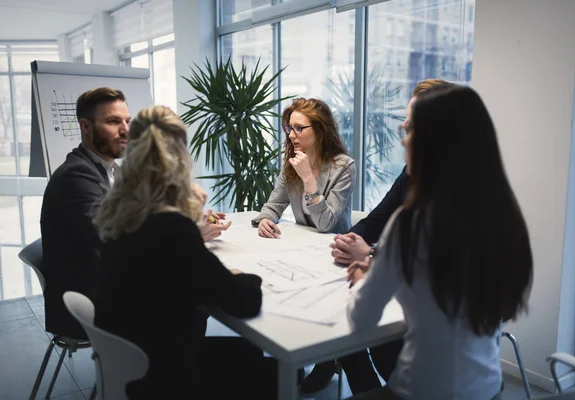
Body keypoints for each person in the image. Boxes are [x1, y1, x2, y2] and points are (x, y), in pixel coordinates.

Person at [346, 85, 533, 399]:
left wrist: (361, 279)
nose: (403, 139)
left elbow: (361, 321)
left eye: (409, 130)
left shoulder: (411, 224)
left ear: (432, 143)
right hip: (489, 391)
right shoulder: (505, 218)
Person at [93, 105, 277, 399]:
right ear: (180, 158)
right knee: (271, 368)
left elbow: (165, 271)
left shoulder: (120, 212)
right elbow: (245, 302)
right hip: (166, 376)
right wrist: (244, 276)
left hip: (130, 362)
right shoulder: (171, 226)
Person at [302, 79, 452, 395]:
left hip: (425, 379)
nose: (402, 140)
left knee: (347, 326)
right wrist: (349, 242)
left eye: (410, 130)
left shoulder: (429, 215)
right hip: (474, 382)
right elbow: (376, 220)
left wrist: (368, 263)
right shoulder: (490, 211)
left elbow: (364, 312)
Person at [40, 87, 130, 339]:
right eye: (113, 121)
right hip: (89, 302)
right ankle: (153, 373)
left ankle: (154, 371)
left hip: (109, 283)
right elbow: (112, 237)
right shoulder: (76, 175)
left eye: (127, 121)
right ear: (86, 126)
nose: (125, 130)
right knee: (191, 296)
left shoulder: (112, 170)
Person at [252, 97, 355, 236]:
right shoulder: (293, 162)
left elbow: (326, 225)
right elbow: (275, 204)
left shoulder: (344, 167)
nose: (291, 135)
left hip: (334, 246)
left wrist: (308, 179)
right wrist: (265, 219)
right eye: (290, 128)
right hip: (304, 244)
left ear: (320, 130)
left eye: (298, 128)